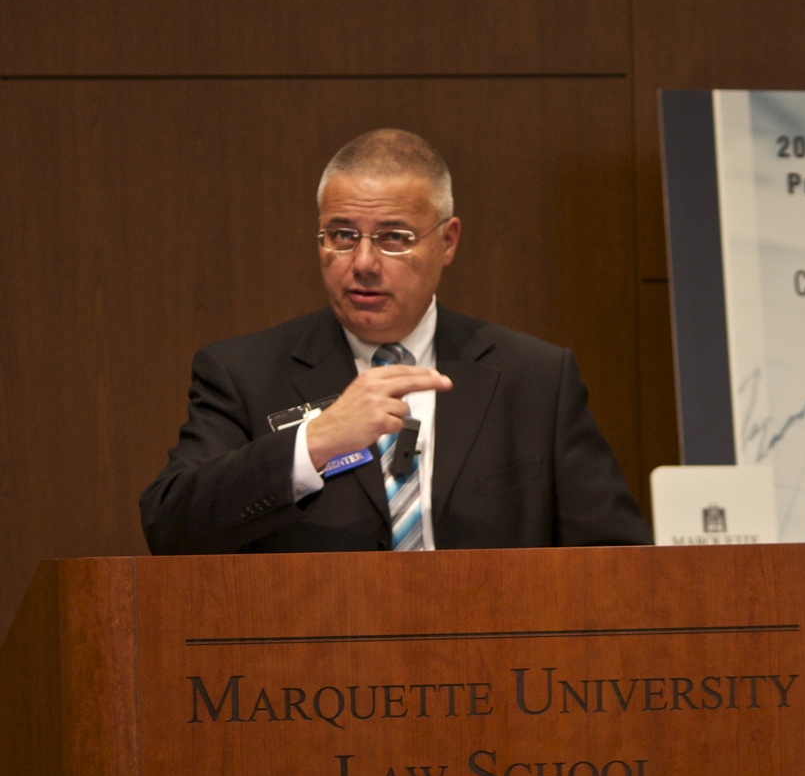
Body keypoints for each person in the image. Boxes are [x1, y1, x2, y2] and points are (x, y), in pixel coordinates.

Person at [140, 129, 652, 554]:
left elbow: (616, 557)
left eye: (394, 238)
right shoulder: (245, 372)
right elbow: (170, 526)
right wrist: (312, 442)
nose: (363, 262)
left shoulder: (534, 377)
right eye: (342, 235)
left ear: (447, 241)